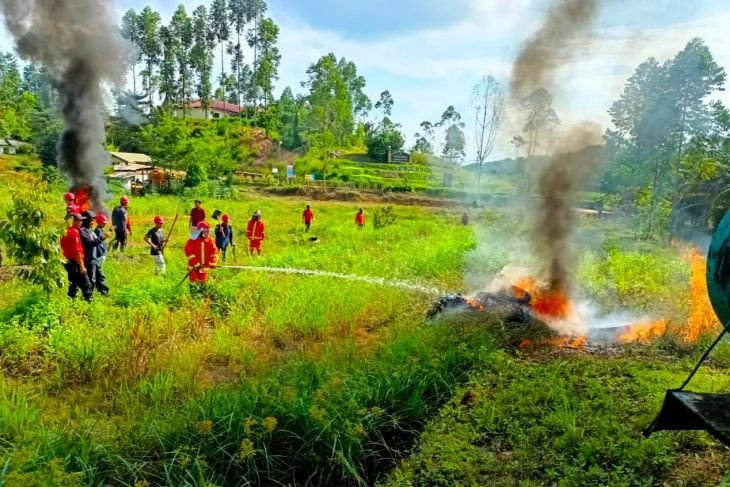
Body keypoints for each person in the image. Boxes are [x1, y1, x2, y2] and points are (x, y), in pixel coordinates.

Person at [60, 213, 93, 301]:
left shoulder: (64, 231)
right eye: (79, 221)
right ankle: (88, 302)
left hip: (67, 261)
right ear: (73, 221)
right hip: (76, 262)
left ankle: (71, 299)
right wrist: (82, 266)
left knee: (73, 282)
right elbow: (77, 251)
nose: (81, 222)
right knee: (87, 284)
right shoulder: (74, 232)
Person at [79, 210, 109, 297]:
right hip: (89, 259)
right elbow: (89, 243)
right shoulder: (83, 231)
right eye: (91, 220)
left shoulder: (90, 230)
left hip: (95, 258)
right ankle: (88, 297)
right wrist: (103, 237)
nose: (93, 222)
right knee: (91, 279)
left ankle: (104, 293)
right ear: (86, 220)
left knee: (100, 277)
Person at [184, 220, 219, 285]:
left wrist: (213, 262)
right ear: (201, 231)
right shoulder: (192, 240)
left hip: (204, 269)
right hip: (193, 268)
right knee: (193, 285)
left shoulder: (210, 240)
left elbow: (214, 252)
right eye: (207, 231)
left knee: (202, 284)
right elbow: (189, 253)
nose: (208, 232)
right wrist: (196, 264)